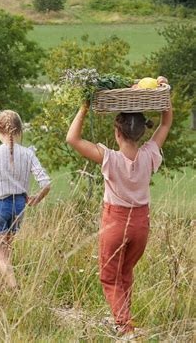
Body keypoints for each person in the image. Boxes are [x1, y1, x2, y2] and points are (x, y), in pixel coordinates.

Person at [66, 83, 172, 335]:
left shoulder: (109, 158)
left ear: (117, 132)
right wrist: (164, 94)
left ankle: (125, 329)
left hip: (115, 222)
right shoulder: (149, 155)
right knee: (125, 272)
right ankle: (124, 319)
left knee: (109, 275)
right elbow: (165, 124)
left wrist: (85, 105)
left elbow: (72, 138)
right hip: (141, 224)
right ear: (141, 133)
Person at [0, 110, 51, 289]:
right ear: (20, 131)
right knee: (7, 249)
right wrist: (37, 198)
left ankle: (14, 289)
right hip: (19, 205)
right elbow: (46, 183)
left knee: (0, 254)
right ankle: (5, 287)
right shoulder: (28, 154)